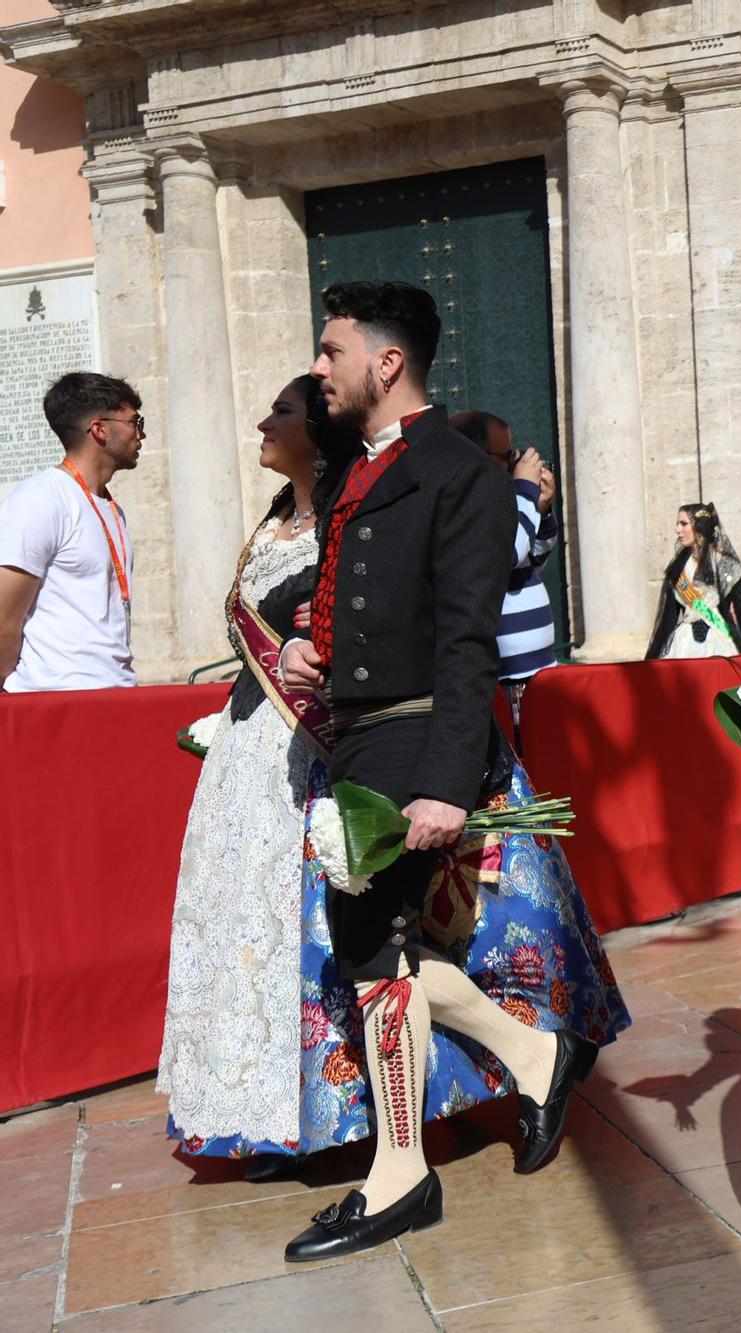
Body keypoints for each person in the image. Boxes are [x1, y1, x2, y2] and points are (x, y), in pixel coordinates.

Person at [158, 376, 626, 1178]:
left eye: (283, 408)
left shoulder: (380, 502)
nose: (263, 422)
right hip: (260, 768)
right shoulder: (276, 519)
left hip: (362, 750)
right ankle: (294, 1121)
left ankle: (425, 1133)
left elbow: (446, 619)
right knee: (286, 952)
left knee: (374, 947)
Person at [276, 282, 606, 1261]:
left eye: (333, 351)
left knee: (369, 942)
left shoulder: (461, 471)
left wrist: (446, 785)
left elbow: (468, 640)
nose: (319, 367)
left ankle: (401, 1173)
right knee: (386, 950)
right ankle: (539, 1053)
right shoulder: (354, 467)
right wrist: (313, 647)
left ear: (386, 363)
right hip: (359, 730)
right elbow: (357, 598)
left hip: (417, 741)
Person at [0, 373, 144, 693]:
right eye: (135, 421)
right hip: (53, 698)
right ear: (100, 429)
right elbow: (4, 618)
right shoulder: (41, 497)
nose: (141, 434)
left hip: (115, 691)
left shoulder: (111, 508)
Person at [452, 410, 560, 723]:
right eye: (507, 454)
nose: (514, 463)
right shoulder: (467, 506)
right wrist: (524, 490)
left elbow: (533, 558)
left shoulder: (506, 502)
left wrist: (542, 509)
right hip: (506, 682)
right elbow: (508, 553)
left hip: (538, 674)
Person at [645, 503, 741, 658]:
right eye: (677, 524)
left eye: (684, 524)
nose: (678, 530)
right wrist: (651, 661)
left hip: (721, 641)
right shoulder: (677, 569)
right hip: (684, 645)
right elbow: (667, 622)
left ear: (699, 527)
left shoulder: (726, 565)